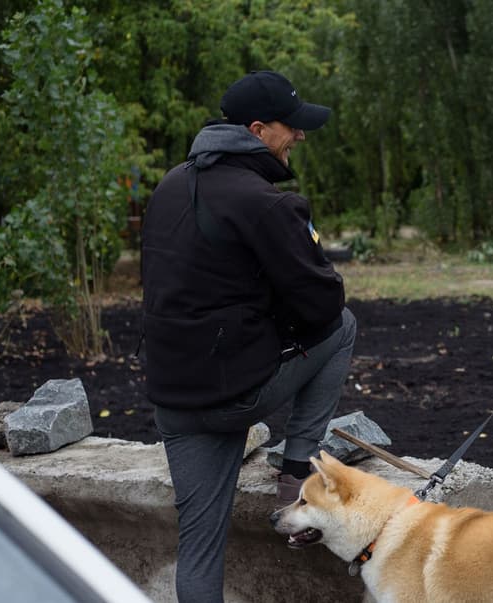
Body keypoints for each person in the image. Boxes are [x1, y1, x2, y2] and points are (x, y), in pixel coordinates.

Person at [140, 70, 356, 603]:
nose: (300, 136)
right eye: (292, 127)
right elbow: (324, 303)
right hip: (235, 394)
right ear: (258, 131)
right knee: (345, 326)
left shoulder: (168, 186)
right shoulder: (266, 203)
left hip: (172, 396)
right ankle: (297, 470)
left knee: (199, 547)